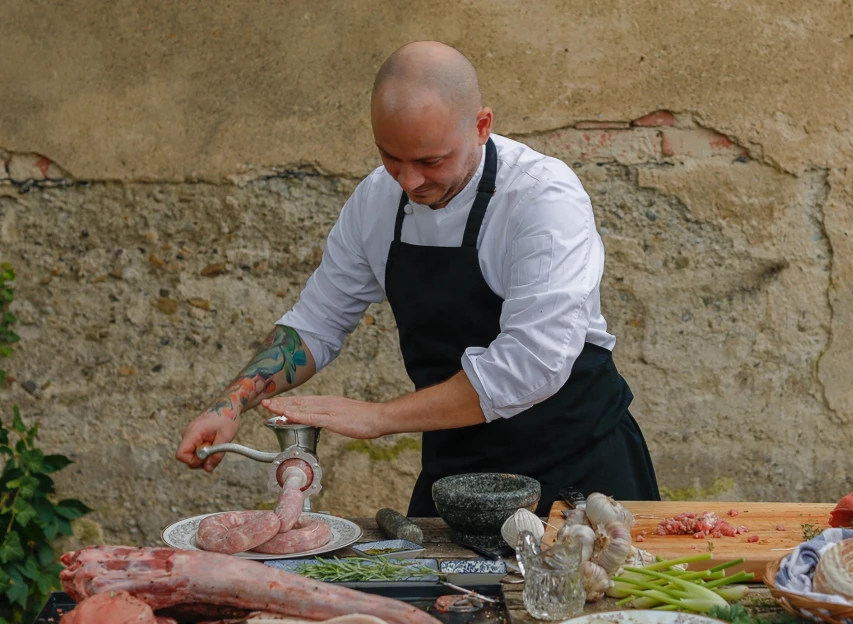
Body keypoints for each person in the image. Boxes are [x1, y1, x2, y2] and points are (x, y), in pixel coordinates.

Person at [175, 41, 660, 517]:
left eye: (431, 161)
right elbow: (317, 322)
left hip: (580, 476)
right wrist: (231, 402)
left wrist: (377, 418)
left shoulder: (542, 199)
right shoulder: (375, 199)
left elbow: (530, 364)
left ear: (481, 126)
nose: (408, 181)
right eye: (391, 156)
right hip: (456, 477)